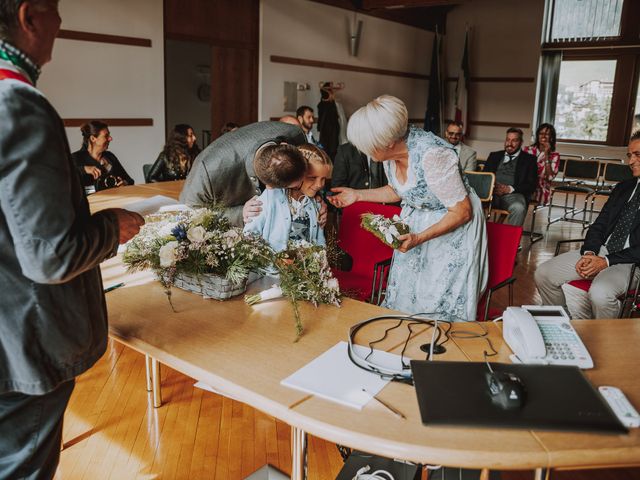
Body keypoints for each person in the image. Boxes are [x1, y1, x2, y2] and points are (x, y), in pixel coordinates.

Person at [0, 2, 144, 478]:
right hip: (22, 338)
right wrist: (112, 229)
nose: (61, 22)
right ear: (29, 16)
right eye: (57, 9)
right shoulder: (16, 105)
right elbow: (50, 256)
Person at [328, 95, 488, 322]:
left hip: (450, 227)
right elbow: (399, 190)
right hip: (417, 227)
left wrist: (419, 238)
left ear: (389, 141)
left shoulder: (434, 156)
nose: (365, 151)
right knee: (407, 294)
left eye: (368, 146)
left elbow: (462, 212)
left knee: (435, 299)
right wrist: (357, 195)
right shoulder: (389, 153)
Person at [535, 131, 640, 319]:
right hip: (602, 251)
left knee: (600, 294)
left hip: (632, 263)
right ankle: (560, 326)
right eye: (629, 155)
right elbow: (599, 225)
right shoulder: (623, 187)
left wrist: (606, 262)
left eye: (637, 155)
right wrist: (591, 253)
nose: (631, 161)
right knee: (544, 273)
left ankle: (605, 344)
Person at [179, 120, 308, 226]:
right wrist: (240, 214)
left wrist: (315, 200)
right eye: (295, 186)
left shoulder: (295, 135)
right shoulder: (207, 169)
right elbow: (191, 213)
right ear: (270, 186)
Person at [244, 144, 330, 251]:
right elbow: (248, 239)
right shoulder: (268, 201)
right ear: (298, 174)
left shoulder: (316, 205)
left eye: (324, 179)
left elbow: (320, 240)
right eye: (312, 178)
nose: (319, 185)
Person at [484, 128, 538, 226]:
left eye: (514, 140)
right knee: (471, 202)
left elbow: (531, 185)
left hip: (513, 195)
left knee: (519, 208)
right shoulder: (494, 156)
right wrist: (492, 187)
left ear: (521, 142)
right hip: (491, 194)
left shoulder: (529, 160)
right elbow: (484, 177)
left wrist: (509, 189)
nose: (510, 143)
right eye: (508, 140)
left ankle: (510, 240)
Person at [72, 120, 135, 191]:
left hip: (113, 200)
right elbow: (62, 179)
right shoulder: (76, 158)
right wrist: (83, 169)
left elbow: (130, 180)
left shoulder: (110, 157)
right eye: (106, 136)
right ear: (93, 138)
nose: (110, 138)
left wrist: (125, 183)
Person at [523, 123, 560, 205]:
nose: (543, 136)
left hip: (541, 189)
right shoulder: (528, 150)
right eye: (541, 133)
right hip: (525, 185)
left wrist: (546, 154)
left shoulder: (554, 155)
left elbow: (550, 177)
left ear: (551, 138)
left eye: (547, 134)